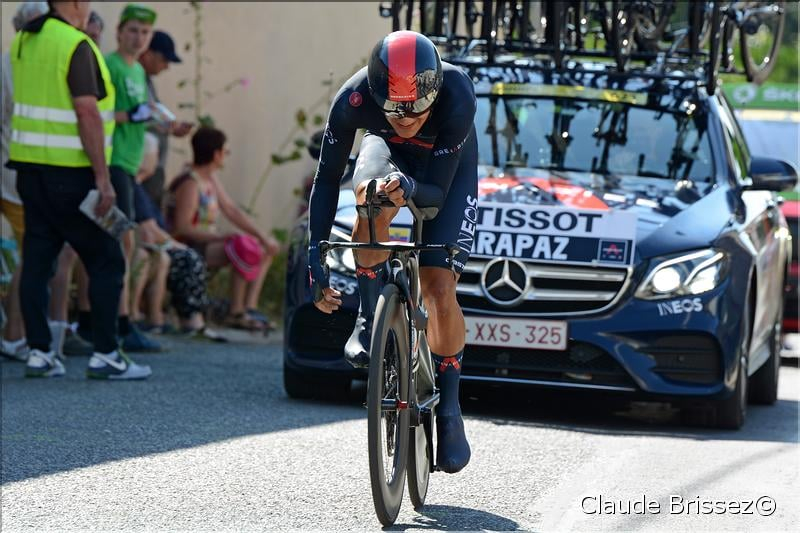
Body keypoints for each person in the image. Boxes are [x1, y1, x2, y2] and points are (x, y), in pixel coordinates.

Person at [307, 31, 477, 473]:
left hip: (445, 173)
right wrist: (316, 254)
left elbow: (436, 196)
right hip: (386, 157)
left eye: (418, 110)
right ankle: (369, 317)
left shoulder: (457, 93)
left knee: (439, 286)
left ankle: (450, 408)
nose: (406, 120)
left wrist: (411, 189)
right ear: (376, 94)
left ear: (433, 94)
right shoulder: (354, 98)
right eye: (395, 111)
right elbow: (327, 182)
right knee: (369, 196)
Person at [8, 0, 150, 379]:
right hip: (71, 175)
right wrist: (103, 180)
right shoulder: (76, 44)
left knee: (38, 259)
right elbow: (87, 111)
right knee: (107, 257)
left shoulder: (25, 39)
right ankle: (106, 354)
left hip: (29, 170)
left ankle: (40, 352)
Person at [166, 127, 279, 332]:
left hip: (207, 242)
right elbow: (182, 227)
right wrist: (219, 236)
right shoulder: (191, 182)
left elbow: (232, 211)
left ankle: (249, 307)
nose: (225, 155)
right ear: (216, 153)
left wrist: (262, 237)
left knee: (262, 248)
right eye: (224, 151)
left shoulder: (209, 178)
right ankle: (235, 312)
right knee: (241, 248)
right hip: (189, 245)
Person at [100, 3, 161, 352]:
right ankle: (118, 323)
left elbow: (139, 116)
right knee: (120, 242)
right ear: (120, 31)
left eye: (145, 32)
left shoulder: (138, 70)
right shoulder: (109, 65)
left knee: (122, 243)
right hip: (112, 161)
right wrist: (134, 114)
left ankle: (115, 321)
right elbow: (101, 113)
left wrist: (165, 124)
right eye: (133, 30)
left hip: (130, 165)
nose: (138, 37)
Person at [0, 1, 49, 363]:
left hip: (18, 174)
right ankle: (13, 333)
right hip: (17, 174)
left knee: (28, 257)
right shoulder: (18, 65)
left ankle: (15, 332)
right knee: (29, 257)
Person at [138, 29, 193, 211]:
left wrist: (172, 127)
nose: (166, 66)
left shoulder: (146, 81)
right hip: (139, 168)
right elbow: (134, 117)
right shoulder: (133, 78)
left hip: (152, 170)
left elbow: (156, 115)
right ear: (147, 53)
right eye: (164, 60)